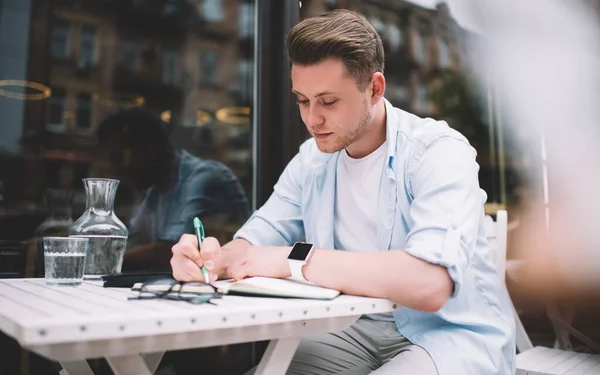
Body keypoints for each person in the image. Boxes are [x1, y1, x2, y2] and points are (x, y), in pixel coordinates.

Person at [171, 9, 515, 375]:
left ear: (375, 89)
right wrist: (212, 259)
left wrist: (295, 260)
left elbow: (429, 284)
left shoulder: (438, 151)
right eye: (302, 100)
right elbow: (256, 239)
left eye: (328, 101)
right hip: (352, 329)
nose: (312, 119)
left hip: (451, 335)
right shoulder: (311, 160)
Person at [96, 107, 251, 271]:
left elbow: (170, 252)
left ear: (149, 149)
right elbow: (133, 241)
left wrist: (99, 257)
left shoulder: (205, 177)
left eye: (120, 157)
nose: (117, 169)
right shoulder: (154, 191)